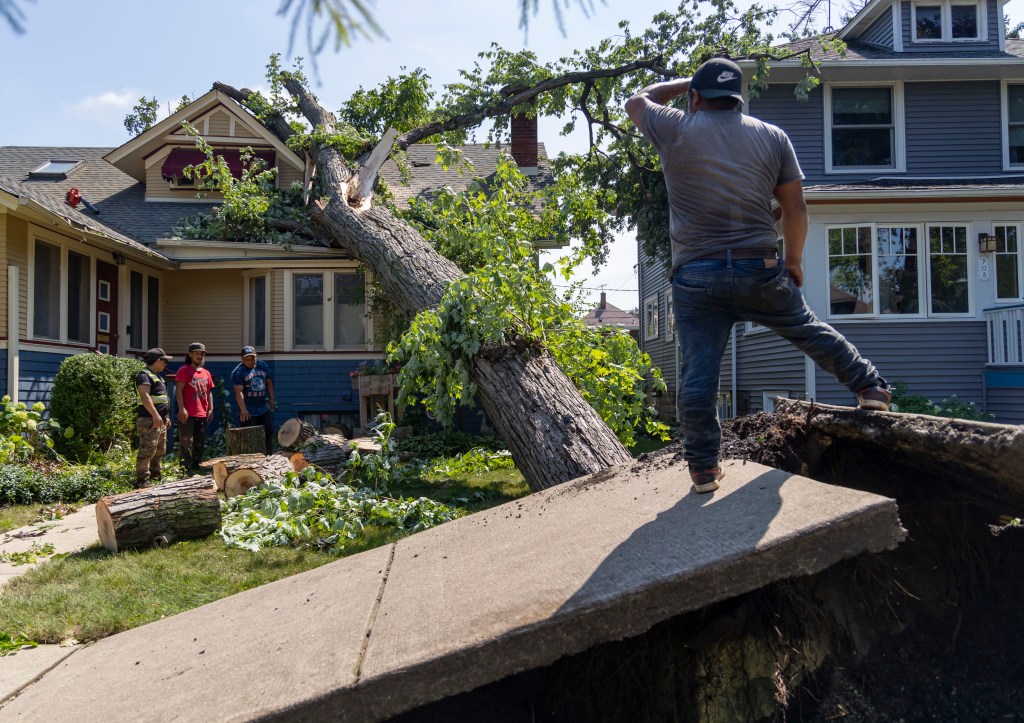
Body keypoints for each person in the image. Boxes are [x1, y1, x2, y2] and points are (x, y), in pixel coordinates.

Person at [625, 57, 890, 495]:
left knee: (698, 376)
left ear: (695, 97)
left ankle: (705, 470)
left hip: (696, 276)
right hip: (759, 265)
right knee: (807, 329)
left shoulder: (675, 128)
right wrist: (795, 260)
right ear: (738, 99)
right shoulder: (772, 136)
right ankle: (870, 387)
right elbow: (795, 208)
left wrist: (684, 82)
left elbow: (638, 100)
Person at [135, 348, 173, 488]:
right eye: (164, 361)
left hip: (160, 420)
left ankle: (156, 475)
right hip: (149, 419)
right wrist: (155, 415)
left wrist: (166, 416)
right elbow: (145, 397)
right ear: (157, 360)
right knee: (147, 448)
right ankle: (142, 479)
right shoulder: (144, 375)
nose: (166, 364)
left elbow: (163, 399)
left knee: (159, 449)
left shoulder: (158, 376)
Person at [175, 342, 214, 473]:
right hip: (187, 413)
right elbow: (179, 390)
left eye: (202, 353)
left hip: (202, 413)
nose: (199, 356)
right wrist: (181, 408)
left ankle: (196, 465)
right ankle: (184, 468)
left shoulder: (206, 373)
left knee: (200, 442)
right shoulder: (183, 370)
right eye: (196, 353)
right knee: (186, 441)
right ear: (190, 354)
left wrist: (210, 408)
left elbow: (209, 392)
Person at [231, 346, 276, 455]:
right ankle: (251, 460)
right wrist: (243, 409)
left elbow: (268, 382)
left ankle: (268, 457)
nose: (250, 361)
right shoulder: (238, 372)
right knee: (250, 436)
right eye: (247, 359)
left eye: (253, 358)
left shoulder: (262, 366)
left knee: (268, 432)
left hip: (262, 407)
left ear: (256, 357)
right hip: (248, 409)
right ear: (242, 359)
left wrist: (271, 399)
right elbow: (238, 392)